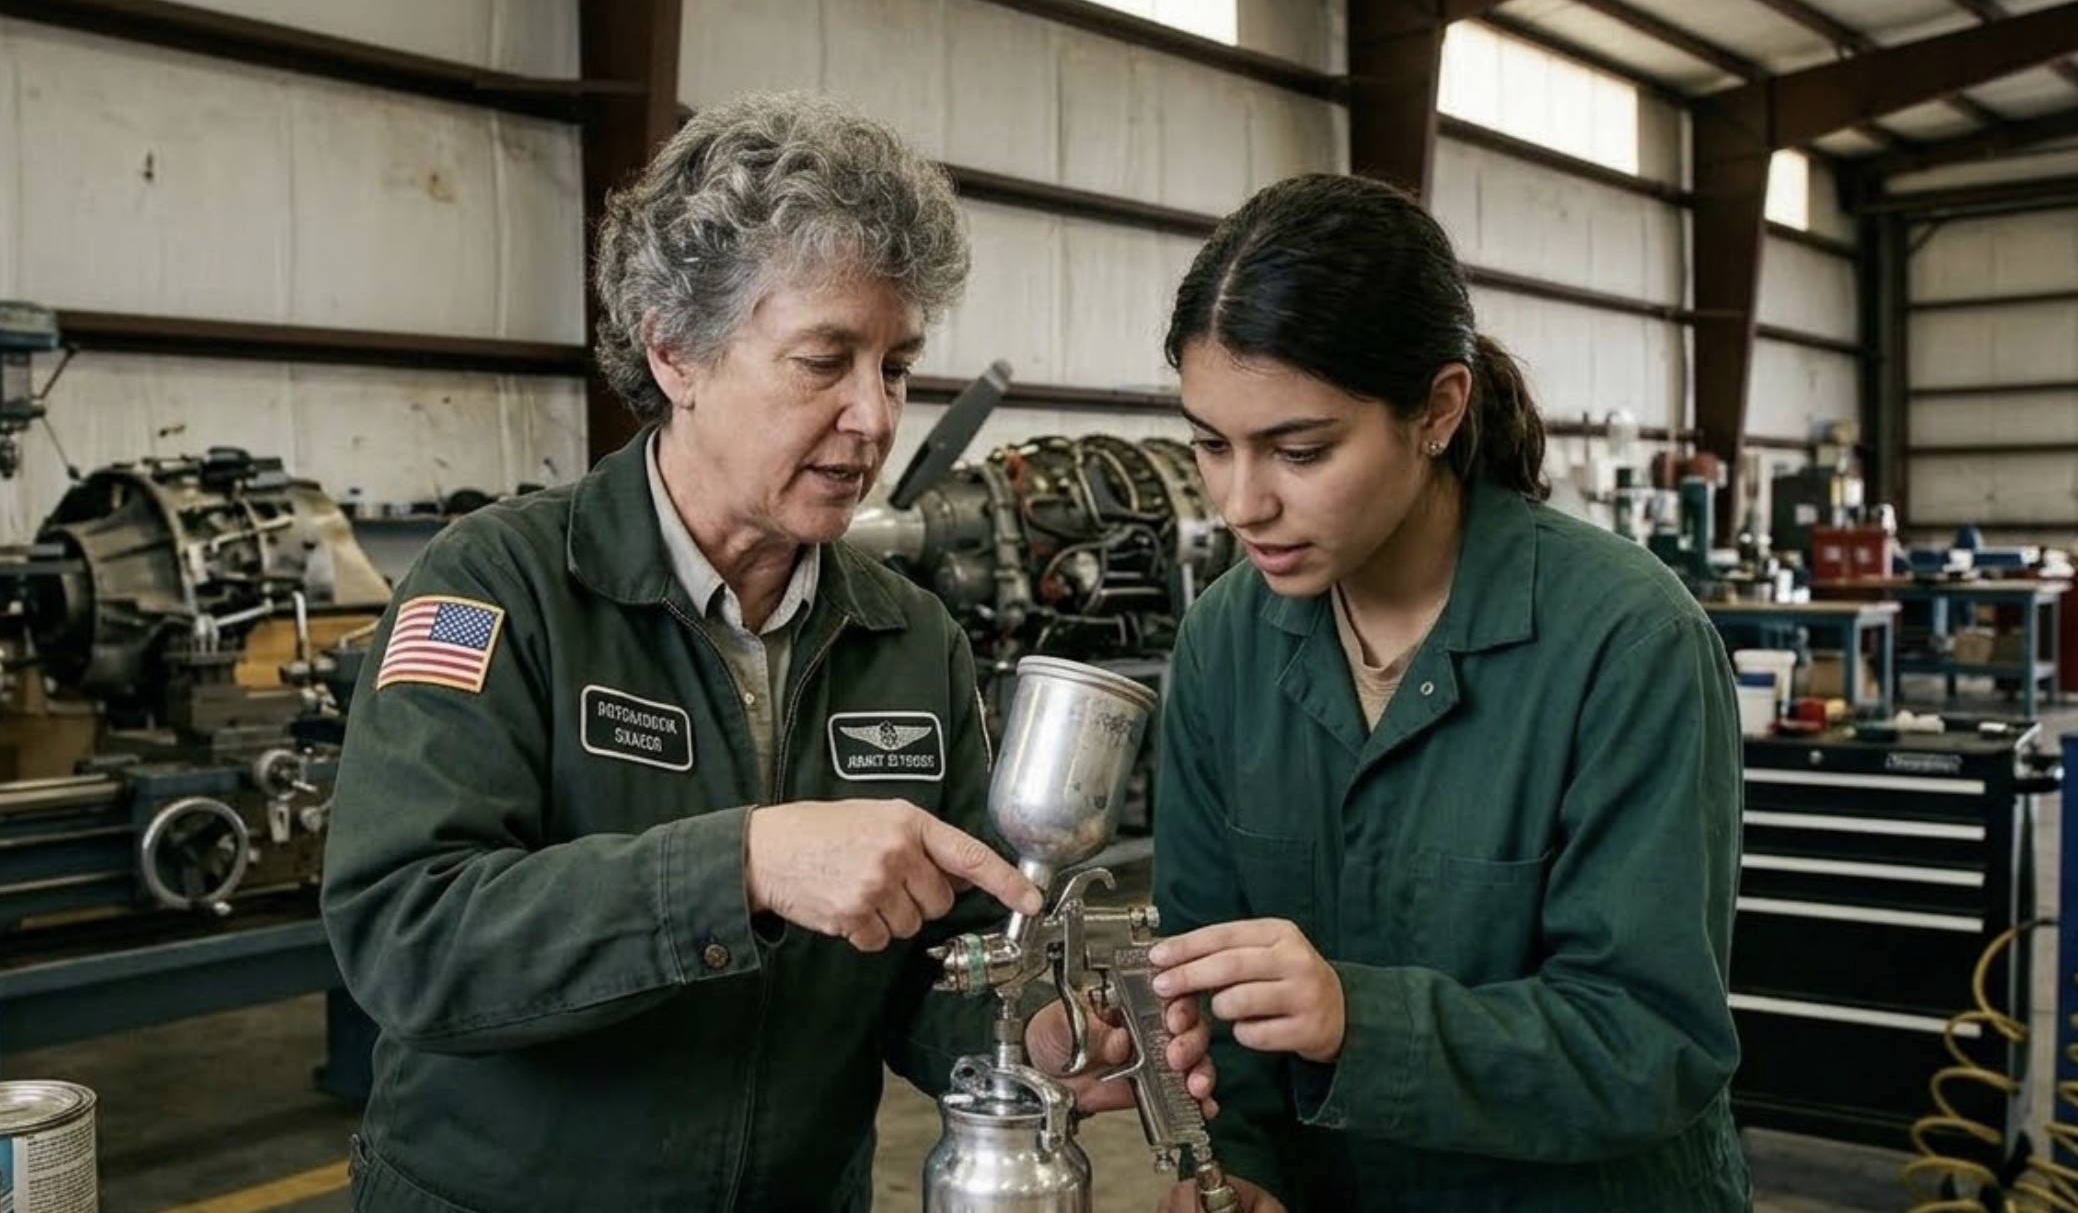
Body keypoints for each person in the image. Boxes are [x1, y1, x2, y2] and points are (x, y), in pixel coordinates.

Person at [321, 91, 1210, 1213]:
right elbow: (411, 934)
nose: (875, 416)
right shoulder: (491, 589)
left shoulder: (908, 635)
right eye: (822, 359)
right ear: (675, 351)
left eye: (894, 365)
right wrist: (741, 865)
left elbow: (941, 958)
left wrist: (1033, 1030)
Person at [1142, 172, 1748, 1212]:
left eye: (1299, 448)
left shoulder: (1624, 640)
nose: (1241, 501)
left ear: (1435, 407)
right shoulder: (1222, 644)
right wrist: (1234, 1162)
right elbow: (1206, 989)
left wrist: (1353, 1018)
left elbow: (1651, 1037)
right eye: (1208, 443)